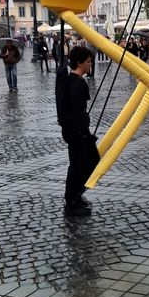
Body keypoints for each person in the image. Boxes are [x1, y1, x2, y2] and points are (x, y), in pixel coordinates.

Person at [59, 46, 99, 217]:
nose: (90, 65)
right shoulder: (76, 83)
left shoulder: (72, 80)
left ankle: (75, 196)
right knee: (81, 164)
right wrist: (83, 132)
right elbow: (77, 111)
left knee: (82, 163)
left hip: (73, 130)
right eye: (88, 62)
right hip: (76, 131)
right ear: (79, 63)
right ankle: (72, 202)